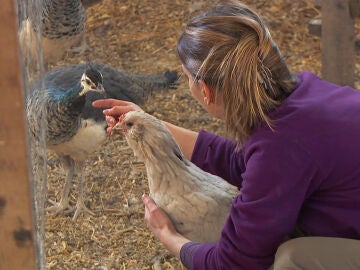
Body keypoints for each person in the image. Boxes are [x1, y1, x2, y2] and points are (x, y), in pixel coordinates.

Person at [93, 0, 360, 269]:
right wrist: (150, 123)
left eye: (188, 77)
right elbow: (246, 164)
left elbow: (234, 262)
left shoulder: (282, 145)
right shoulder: (302, 94)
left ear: (206, 90)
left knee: (292, 260)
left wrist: (169, 237)